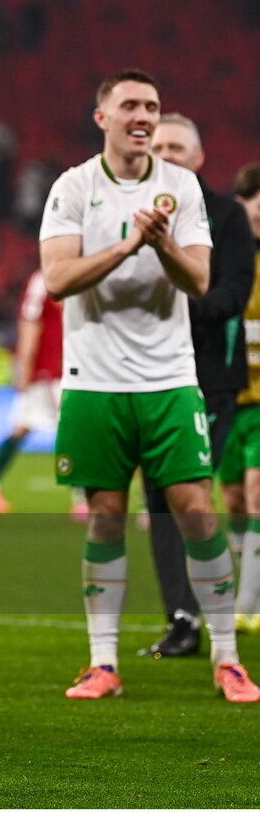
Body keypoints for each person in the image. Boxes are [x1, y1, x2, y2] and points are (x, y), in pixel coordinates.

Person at [40, 69, 259, 702]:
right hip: (94, 382)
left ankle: (227, 658)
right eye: (130, 104)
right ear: (102, 115)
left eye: (152, 106)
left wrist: (159, 245)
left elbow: (198, 280)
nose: (143, 114)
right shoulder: (74, 186)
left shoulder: (181, 187)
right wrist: (131, 243)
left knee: (195, 508)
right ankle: (102, 662)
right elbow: (57, 279)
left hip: (169, 380)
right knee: (106, 518)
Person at [138, 115, 255, 657]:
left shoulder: (227, 216)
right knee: (158, 498)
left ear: (199, 156)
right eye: (160, 146)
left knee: (193, 494)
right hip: (144, 377)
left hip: (207, 380)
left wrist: (170, 304)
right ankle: (181, 619)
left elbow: (230, 295)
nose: (168, 154)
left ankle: (221, 618)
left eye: (178, 146)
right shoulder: (133, 210)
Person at [0, 267, 85, 516]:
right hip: (49, 373)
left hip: (55, 371)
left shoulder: (72, 276)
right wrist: (25, 369)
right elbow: (29, 323)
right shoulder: (44, 279)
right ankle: (81, 497)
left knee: (21, 429)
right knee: (71, 431)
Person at [218, 163, 260, 633]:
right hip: (229, 398)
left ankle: (249, 602)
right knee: (232, 499)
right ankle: (246, 582)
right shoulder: (223, 259)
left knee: (255, 494)